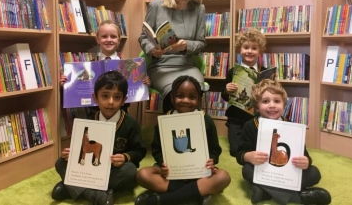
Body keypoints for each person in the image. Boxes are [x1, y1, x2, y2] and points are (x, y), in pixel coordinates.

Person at [52, 70, 147, 204]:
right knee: (60, 163)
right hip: (90, 169)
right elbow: (81, 149)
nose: (110, 102)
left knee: (130, 171)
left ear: (124, 100)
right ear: (95, 98)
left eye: (117, 97)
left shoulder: (131, 124)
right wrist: (71, 154)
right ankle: (96, 195)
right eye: (105, 96)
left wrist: (125, 157)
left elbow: (140, 151)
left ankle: (71, 188)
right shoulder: (87, 121)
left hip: (114, 169)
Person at [134, 75, 231, 205]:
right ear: (172, 99)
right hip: (171, 172)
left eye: (192, 97)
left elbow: (214, 149)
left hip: (199, 172)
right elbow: (157, 149)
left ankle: (163, 199)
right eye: (180, 96)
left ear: (199, 100)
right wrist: (163, 163)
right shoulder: (164, 120)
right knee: (142, 175)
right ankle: (196, 194)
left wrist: (211, 161)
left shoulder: (206, 120)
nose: (186, 100)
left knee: (223, 177)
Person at [235, 79, 331, 205]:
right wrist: (248, 156)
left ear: (284, 104)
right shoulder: (250, 126)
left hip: (287, 172)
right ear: (257, 106)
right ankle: (300, 197)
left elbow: (304, 153)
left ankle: (265, 192)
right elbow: (240, 153)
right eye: (265, 101)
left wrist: (306, 162)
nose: (272, 105)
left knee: (314, 173)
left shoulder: (292, 126)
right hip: (264, 171)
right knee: (247, 170)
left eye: (277, 101)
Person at [138, 0, 206, 114]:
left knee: (194, 90)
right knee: (175, 92)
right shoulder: (156, 6)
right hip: (161, 66)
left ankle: (194, 134)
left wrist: (186, 46)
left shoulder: (199, 9)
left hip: (187, 65)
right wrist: (152, 50)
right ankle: (169, 133)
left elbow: (201, 43)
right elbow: (143, 37)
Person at [60, 20, 151, 113]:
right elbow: (74, 95)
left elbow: (134, 93)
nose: (109, 40)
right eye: (104, 36)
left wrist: (144, 82)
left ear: (119, 40)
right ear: (97, 39)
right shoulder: (88, 68)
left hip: (120, 115)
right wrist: (67, 85)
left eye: (113, 36)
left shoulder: (129, 67)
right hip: (95, 116)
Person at [220, 28, 267, 156]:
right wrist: (227, 90)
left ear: (260, 51)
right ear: (240, 50)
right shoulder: (233, 72)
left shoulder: (265, 72)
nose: (249, 51)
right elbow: (224, 96)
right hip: (237, 118)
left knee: (262, 149)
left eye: (254, 48)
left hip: (258, 118)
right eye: (246, 47)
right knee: (236, 152)